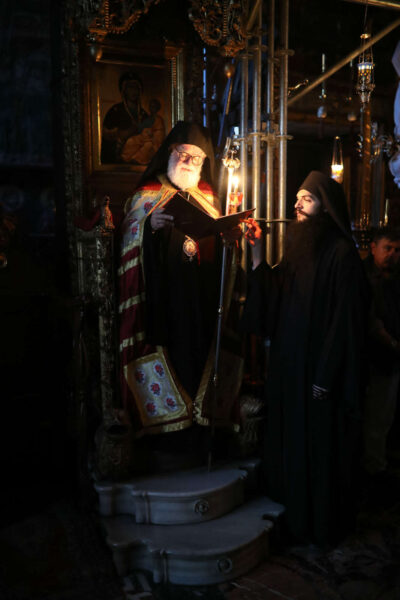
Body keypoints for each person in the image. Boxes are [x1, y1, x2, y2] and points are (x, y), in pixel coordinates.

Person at [244, 170, 369, 547]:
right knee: (291, 443)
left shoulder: (341, 254)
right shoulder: (299, 248)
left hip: (317, 374)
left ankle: (318, 527)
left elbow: (345, 322)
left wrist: (325, 376)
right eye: (297, 197)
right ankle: (293, 518)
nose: (296, 204)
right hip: (290, 369)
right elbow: (274, 298)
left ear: (325, 208)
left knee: (318, 449)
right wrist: (256, 253)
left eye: (307, 199)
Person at [118, 121, 243, 450]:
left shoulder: (209, 198)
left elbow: (220, 256)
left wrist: (230, 239)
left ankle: (201, 431)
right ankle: (166, 438)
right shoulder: (146, 196)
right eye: (183, 154)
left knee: (199, 357)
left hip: (200, 301)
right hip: (163, 301)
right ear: (169, 153)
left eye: (196, 158)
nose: (188, 162)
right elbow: (128, 241)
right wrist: (151, 228)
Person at [363, 228, 400, 477]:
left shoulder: (394, 277)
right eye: (388, 248)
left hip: (390, 358)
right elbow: (371, 321)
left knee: (384, 416)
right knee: (375, 417)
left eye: (397, 250)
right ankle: (373, 468)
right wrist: (391, 342)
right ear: (374, 247)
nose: (393, 254)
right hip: (374, 357)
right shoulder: (364, 276)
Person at [101, 72, 149, 164]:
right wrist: (124, 133)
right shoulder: (115, 111)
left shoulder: (144, 114)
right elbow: (108, 138)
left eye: (136, 88)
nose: (134, 91)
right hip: (118, 161)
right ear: (124, 90)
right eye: (130, 87)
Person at [121, 98, 166, 165]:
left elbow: (159, 134)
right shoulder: (147, 118)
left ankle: (136, 159)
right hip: (143, 137)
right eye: (151, 106)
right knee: (131, 140)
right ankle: (126, 157)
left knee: (148, 146)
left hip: (153, 141)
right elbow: (141, 128)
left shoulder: (159, 120)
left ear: (157, 108)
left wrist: (152, 135)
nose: (152, 108)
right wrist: (138, 126)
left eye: (154, 106)